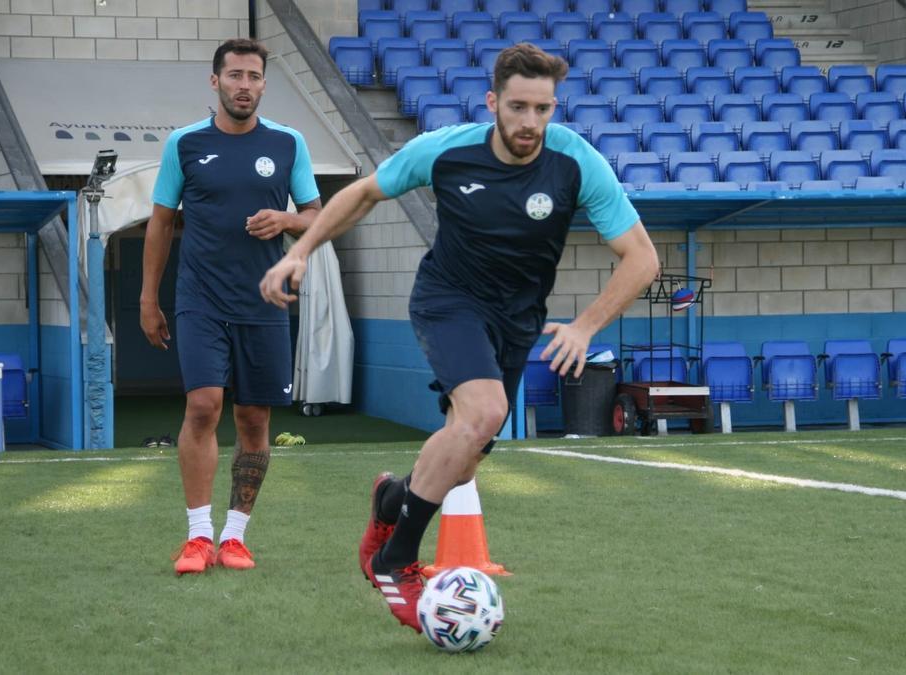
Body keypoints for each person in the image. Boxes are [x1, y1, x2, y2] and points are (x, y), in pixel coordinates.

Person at [259, 44, 658, 630]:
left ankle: (392, 500)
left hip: (517, 320)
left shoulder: (576, 162)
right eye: (519, 107)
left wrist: (586, 325)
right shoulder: (447, 150)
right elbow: (365, 192)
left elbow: (641, 258)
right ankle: (397, 561)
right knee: (484, 412)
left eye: (543, 109)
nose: (530, 123)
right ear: (493, 102)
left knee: (465, 456)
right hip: (448, 300)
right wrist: (300, 251)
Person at [141, 38, 322, 575]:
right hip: (199, 298)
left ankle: (234, 537)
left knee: (252, 417)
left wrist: (287, 221)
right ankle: (197, 537)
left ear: (264, 84)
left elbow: (318, 216)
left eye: (254, 76)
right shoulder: (185, 143)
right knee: (203, 407)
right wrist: (148, 298)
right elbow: (159, 222)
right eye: (235, 75)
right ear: (215, 81)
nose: (244, 85)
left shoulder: (290, 144)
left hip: (265, 300)